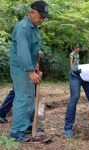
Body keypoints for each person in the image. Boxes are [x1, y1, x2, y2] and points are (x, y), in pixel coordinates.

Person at [9, 1, 50, 142]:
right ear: (32, 12)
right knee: (23, 98)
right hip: (22, 69)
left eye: (44, 17)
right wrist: (31, 71)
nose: (42, 20)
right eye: (40, 16)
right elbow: (22, 52)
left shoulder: (34, 27)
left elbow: (29, 46)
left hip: (29, 67)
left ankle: (28, 125)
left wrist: (36, 53)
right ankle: (17, 132)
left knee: (30, 97)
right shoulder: (23, 28)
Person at [0, 51, 43, 123]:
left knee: (21, 93)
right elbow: (23, 54)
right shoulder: (23, 42)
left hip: (30, 70)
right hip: (25, 71)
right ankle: (26, 122)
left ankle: (30, 120)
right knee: (21, 94)